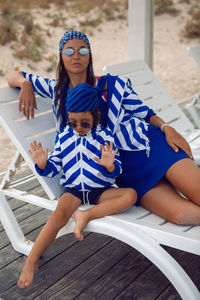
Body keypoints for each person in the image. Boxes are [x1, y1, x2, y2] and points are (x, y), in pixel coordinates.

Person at [7, 30, 200, 226]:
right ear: (61, 56)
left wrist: (168, 128)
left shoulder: (112, 85)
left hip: (152, 148)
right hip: (123, 168)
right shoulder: (57, 90)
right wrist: (26, 84)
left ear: (89, 55)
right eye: (69, 51)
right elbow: (13, 75)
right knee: (182, 216)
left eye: (82, 50)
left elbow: (145, 112)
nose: (76, 56)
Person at [17, 82, 137, 288]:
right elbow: (55, 166)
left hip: (101, 190)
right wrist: (44, 164)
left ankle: (87, 215)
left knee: (130, 195)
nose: (78, 128)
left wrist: (110, 166)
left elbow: (117, 167)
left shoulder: (104, 136)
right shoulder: (64, 136)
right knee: (58, 216)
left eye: (85, 123)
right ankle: (31, 259)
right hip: (73, 191)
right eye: (73, 123)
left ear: (95, 117)